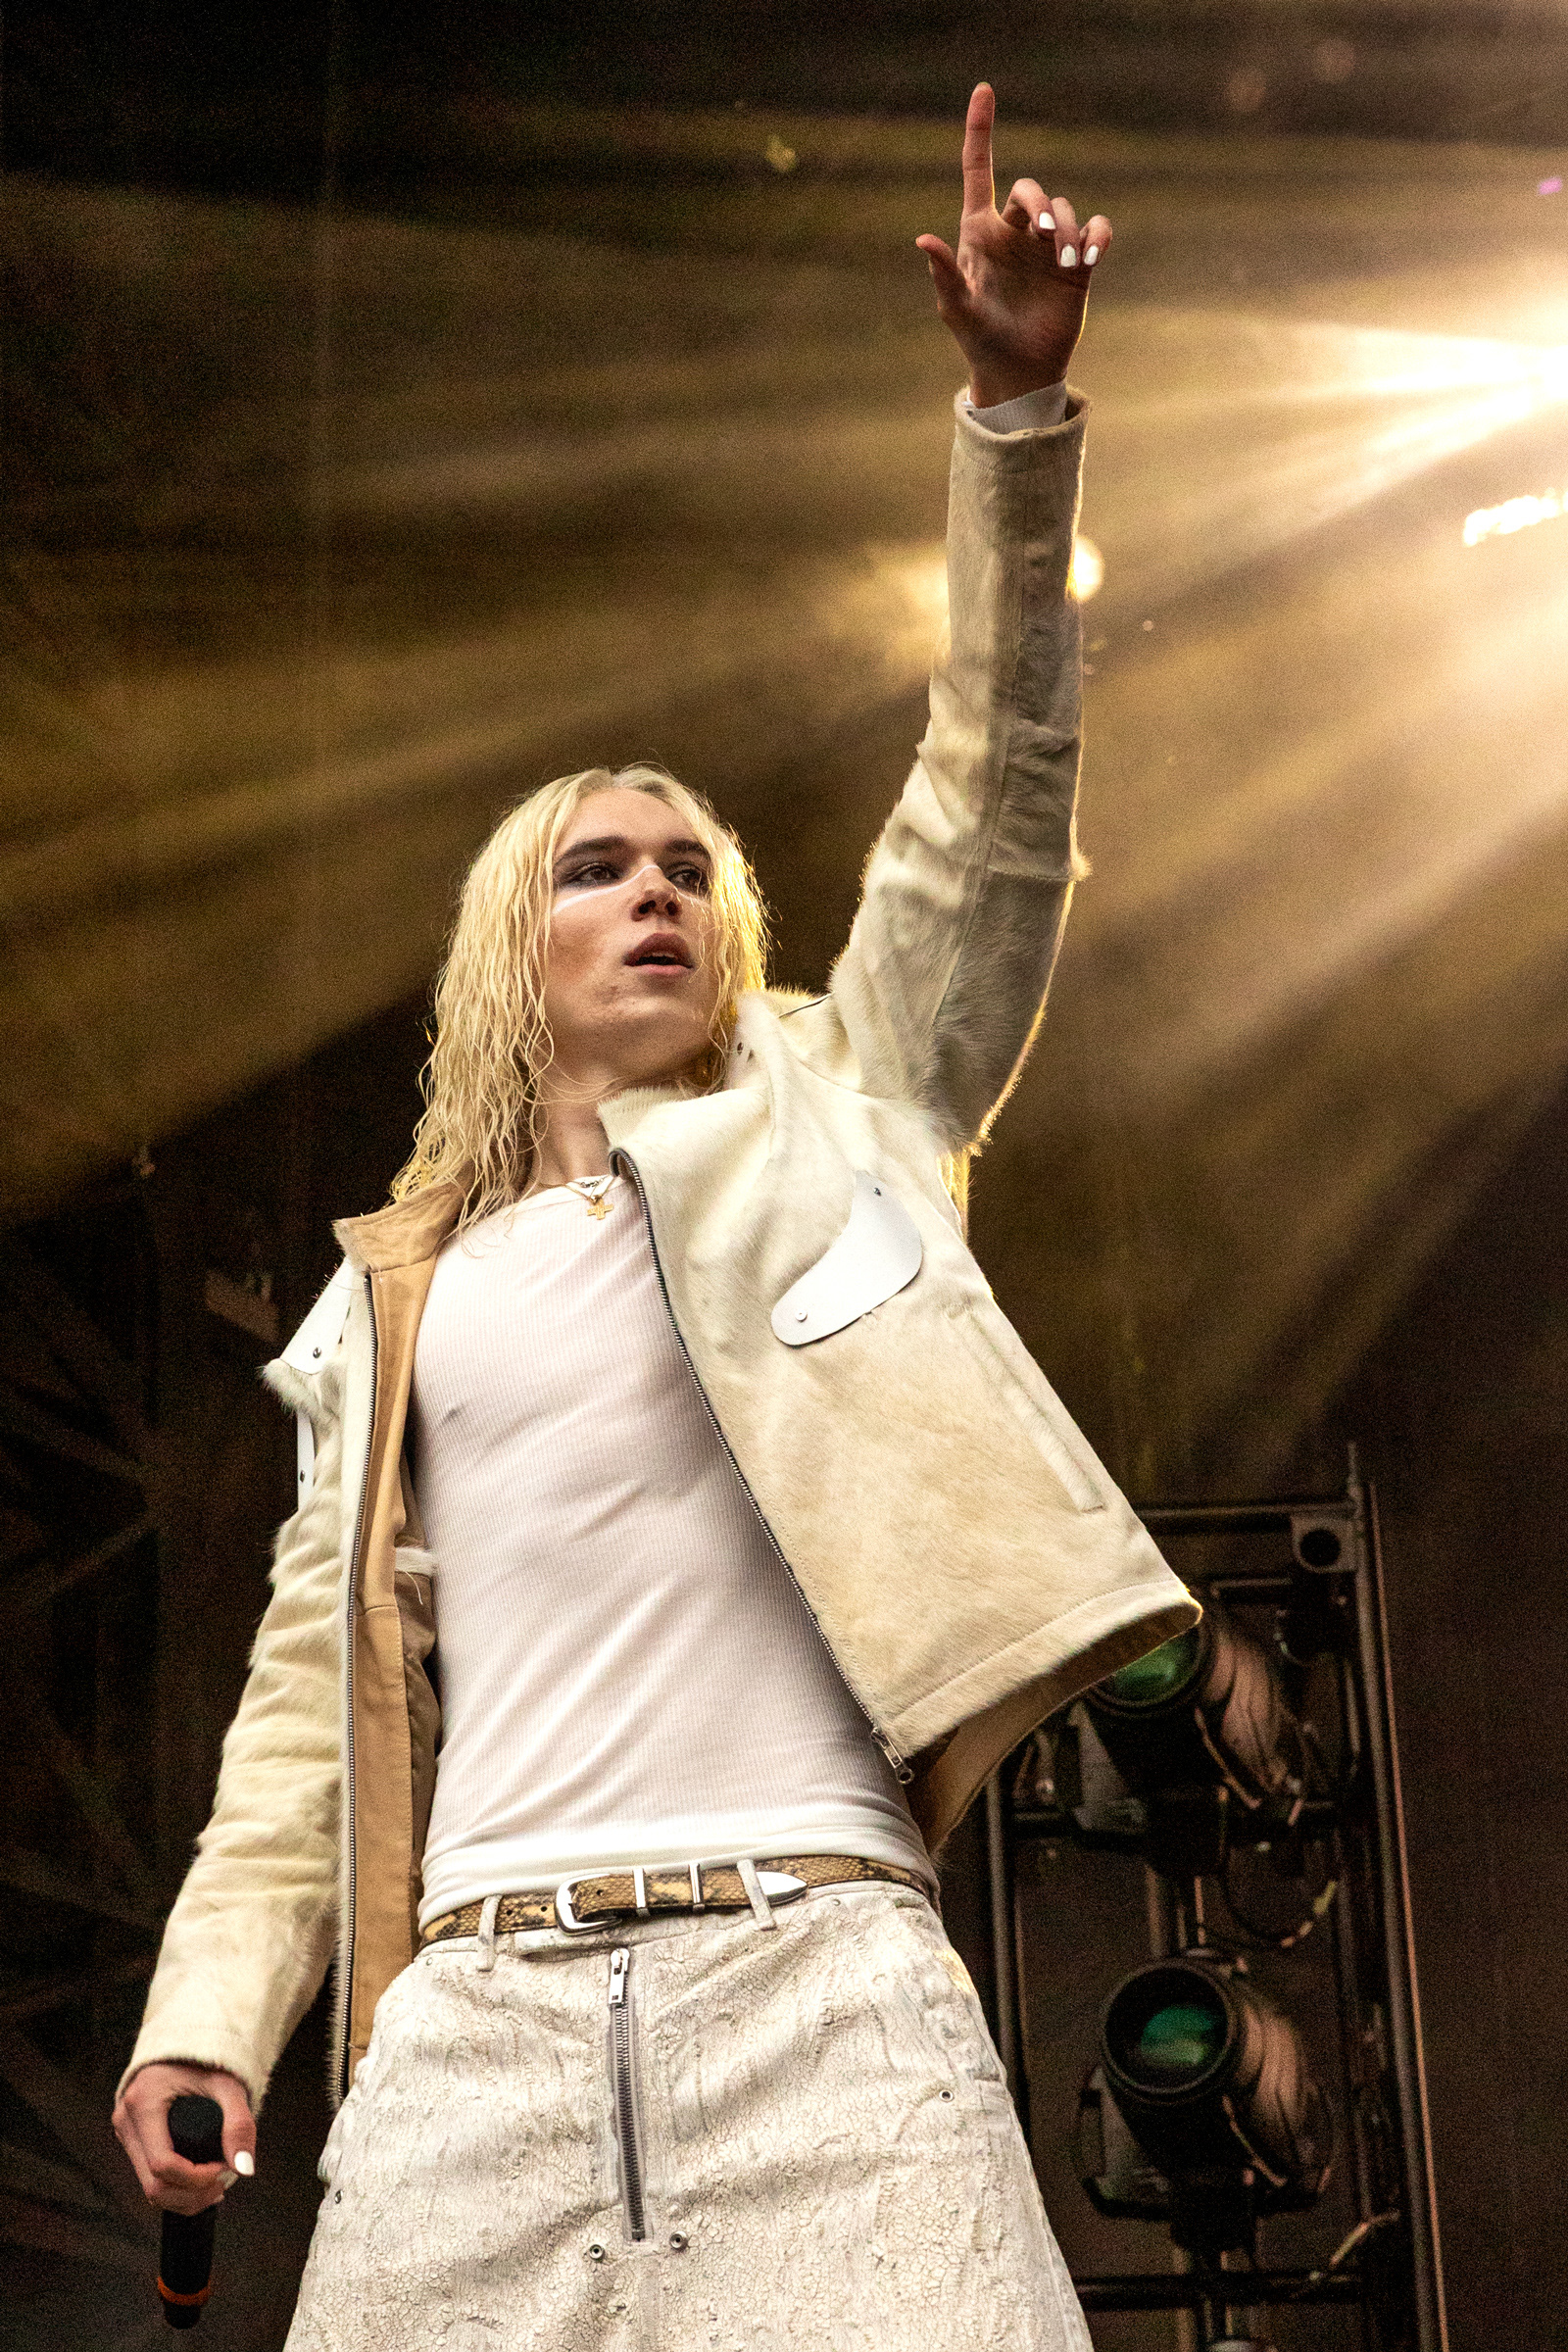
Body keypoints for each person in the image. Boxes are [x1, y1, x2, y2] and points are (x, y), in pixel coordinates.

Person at [113, 83, 1196, 2348]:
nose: (653, 891)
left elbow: (986, 810)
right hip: (476, 2042)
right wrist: (208, 2019)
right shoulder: (394, 1296)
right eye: (595, 866)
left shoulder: (841, 1126)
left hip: (822, 1991)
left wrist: (1013, 426)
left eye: (688, 865)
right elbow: (309, 1718)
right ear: (511, 950)